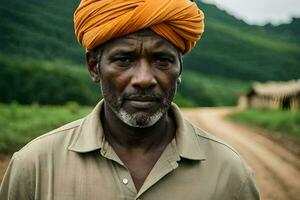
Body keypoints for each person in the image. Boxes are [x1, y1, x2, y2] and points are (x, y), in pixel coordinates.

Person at [0, 0, 260, 199]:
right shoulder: (34, 166)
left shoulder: (229, 173)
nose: (144, 79)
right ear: (94, 67)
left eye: (162, 60)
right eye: (124, 59)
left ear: (179, 69)